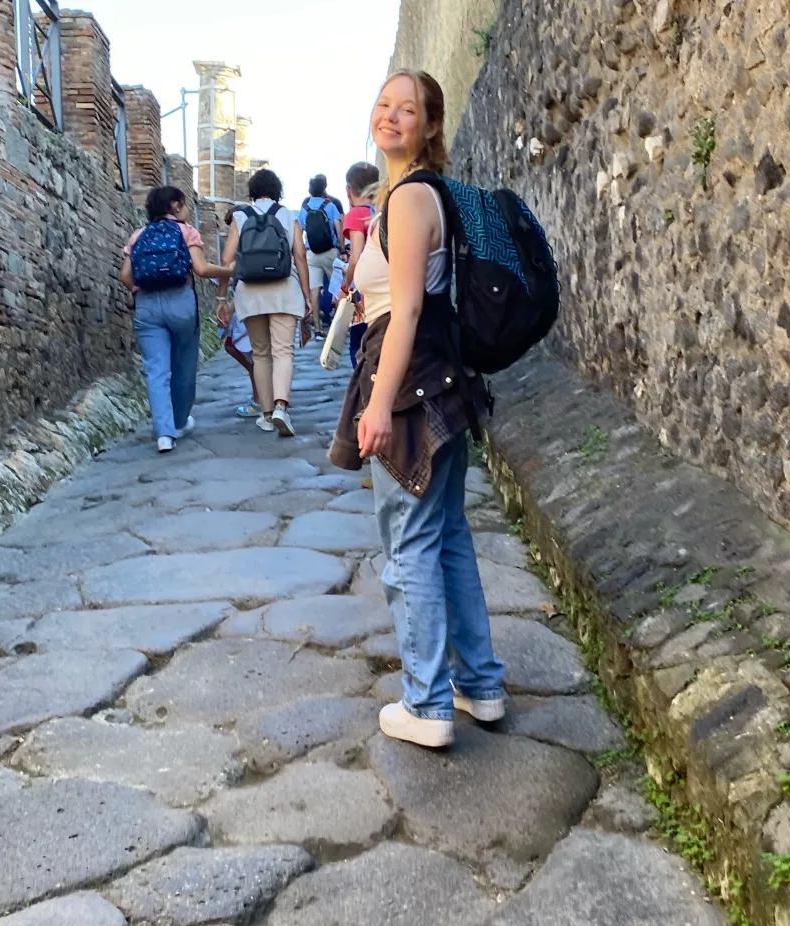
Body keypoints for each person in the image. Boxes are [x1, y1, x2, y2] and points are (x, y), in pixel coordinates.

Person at [329, 70, 505, 749]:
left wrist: (375, 407)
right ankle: (479, 685)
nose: (392, 116)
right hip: (446, 381)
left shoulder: (407, 199)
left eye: (409, 109)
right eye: (384, 104)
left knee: (408, 547)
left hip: (410, 385)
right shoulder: (409, 196)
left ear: (431, 126)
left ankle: (428, 703)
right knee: (448, 534)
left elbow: (404, 311)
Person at [121, 186, 233, 454]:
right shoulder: (186, 231)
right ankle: (180, 422)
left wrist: (138, 290)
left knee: (156, 370)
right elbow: (202, 269)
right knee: (184, 364)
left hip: (147, 305)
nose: (187, 209)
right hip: (181, 301)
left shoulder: (138, 235)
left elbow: (125, 275)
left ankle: (164, 434)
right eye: (184, 205)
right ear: (175, 206)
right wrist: (228, 270)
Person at [217, 169, 311, 437]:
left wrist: (222, 298)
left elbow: (226, 260)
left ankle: (267, 414)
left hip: (250, 291)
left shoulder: (240, 216)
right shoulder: (288, 214)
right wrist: (306, 295)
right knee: (283, 351)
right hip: (284, 288)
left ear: (252, 192)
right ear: (277, 190)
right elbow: (301, 257)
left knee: (260, 353)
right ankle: (282, 406)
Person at [221, 208, 273, 431]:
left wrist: (225, 303)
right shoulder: (262, 243)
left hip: (249, 305)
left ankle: (261, 401)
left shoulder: (242, 251)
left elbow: (229, 268)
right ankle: (268, 399)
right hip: (268, 301)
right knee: (258, 354)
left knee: (251, 353)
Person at [338, 162, 380, 369]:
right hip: (384, 292)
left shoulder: (355, 214)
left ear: (349, 190)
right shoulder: (382, 211)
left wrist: (345, 287)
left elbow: (356, 257)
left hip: (363, 294)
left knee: (359, 348)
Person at [299, 174, 344, 332]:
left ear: (309, 190)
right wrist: (342, 248)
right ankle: (339, 327)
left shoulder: (304, 208)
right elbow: (339, 228)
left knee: (315, 290)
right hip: (330, 252)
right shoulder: (330, 206)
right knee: (337, 288)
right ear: (324, 188)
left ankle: (318, 329)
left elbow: (301, 230)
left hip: (312, 254)